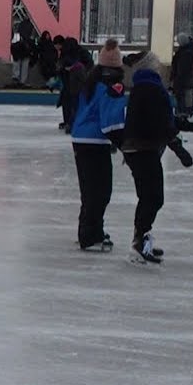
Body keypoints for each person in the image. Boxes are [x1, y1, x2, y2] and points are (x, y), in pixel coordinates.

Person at [120, 68, 193, 264]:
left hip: (135, 150)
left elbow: (154, 120)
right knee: (153, 198)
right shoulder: (154, 92)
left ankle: (141, 240)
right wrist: (178, 147)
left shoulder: (138, 91)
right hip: (145, 150)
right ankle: (138, 244)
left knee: (149, 197)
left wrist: (180, 125)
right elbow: (160, 123)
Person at [69, 64, 127, 251]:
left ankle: (87, 230)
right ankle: (91, 235)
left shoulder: (91, 84)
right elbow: (111, 122)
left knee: (89, 190)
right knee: (100, 191)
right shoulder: (110, 89)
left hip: (81, 138)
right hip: (95, 141)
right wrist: (125, 145)